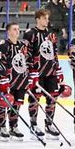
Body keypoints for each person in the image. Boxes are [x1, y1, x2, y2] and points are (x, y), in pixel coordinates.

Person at [22, 9, 64, 137]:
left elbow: (54, 54)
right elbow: (26, 54)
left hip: (50, 72)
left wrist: (58, 70)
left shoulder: (51, 35)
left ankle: (49, 123)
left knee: (53, 97)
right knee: (35, 98)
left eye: (47, 18)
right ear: (38, 19)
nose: (47, 20)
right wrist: (30, 71)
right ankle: (33, 124)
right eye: (44, 18)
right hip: (37, 73)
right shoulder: (30, 34)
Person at [0, 22, 29, 141]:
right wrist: (2, 78)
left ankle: (13, 127)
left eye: (18, 29)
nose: (17, 31)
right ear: (8, 31)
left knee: (17, 104)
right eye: (14, 29)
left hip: (20, 80)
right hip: (7, 81)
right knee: (4, 104)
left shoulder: (22, 46)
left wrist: (27, 77)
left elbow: (25, 62)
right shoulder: (3, 45)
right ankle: (1, 127)